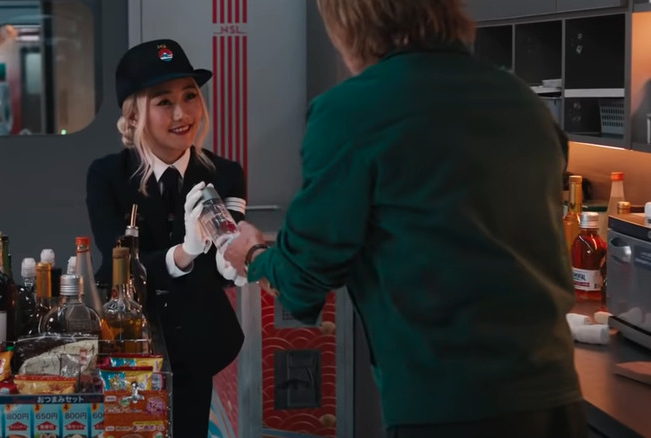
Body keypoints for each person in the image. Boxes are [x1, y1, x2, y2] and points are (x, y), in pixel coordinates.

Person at [224, 1, 586, 437]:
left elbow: (303, 278)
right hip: (556, 399)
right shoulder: (523, 103)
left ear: (349, 25)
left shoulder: (352, 111)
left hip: (445, 407)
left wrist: (253, 254)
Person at [86, 39, 245, 437]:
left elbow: (225, 258)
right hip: (128, 343)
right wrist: (185, 252)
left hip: (198, 341)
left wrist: (233, 259)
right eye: (163, 101)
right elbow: (122, 262)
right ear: (134, 115)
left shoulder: (224, 174)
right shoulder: (107, 176)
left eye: (190, 96)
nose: (182, 113)